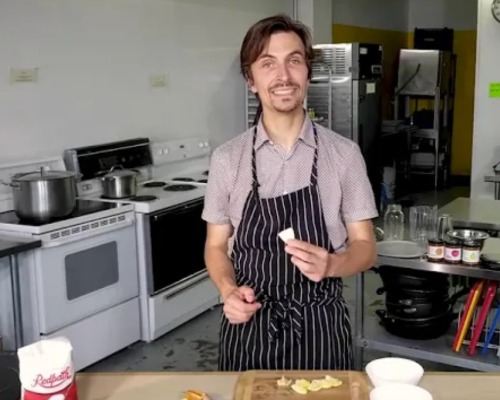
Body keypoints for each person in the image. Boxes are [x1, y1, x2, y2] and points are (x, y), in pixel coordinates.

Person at [202, 14, 378, 372]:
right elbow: (216, 246)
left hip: (321, 323)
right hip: (249, 325)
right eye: (268, 63)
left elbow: (365, 248)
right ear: (251, 80)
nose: (283, 76)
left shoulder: (344, 155)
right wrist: (228, 291)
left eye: (294, 61)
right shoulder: (227, 159)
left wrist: (333, 264)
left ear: (308, 73)